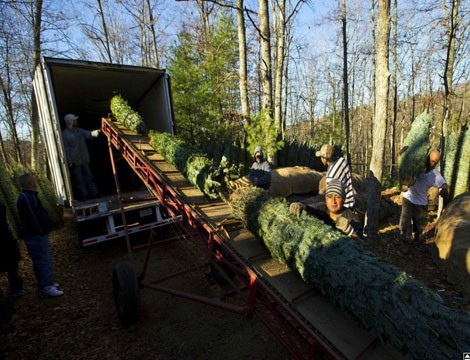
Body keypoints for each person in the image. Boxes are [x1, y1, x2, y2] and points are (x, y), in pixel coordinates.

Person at [17, 173, 63, 297]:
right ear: (30, 183)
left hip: (35, 234)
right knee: (42, 260)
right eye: (34, 180)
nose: (36, 182)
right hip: (35, 235)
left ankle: (47, 283)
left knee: (43, 259)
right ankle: (46, 286)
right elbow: (33, 218)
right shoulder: (27, 198)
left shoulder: (28, 196)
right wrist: (42, 230)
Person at [399, 149, 448, 245]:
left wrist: (445, 190)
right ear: (428, 156)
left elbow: (444, 184)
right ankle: (405, 242)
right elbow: (403, 164)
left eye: (435, 162)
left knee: (419, 224)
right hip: (408, 197)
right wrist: (402, 154)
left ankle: (416, 236)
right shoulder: (416, 165)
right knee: (405, 221)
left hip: (421, 202)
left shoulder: (434, 174)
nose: (432, 163)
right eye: (431, 160)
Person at [290, 179, 364, 240]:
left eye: (338, 197)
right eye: (330, 196)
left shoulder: (352, 219)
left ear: (343, 200)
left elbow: (362, 246)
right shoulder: (321, 208)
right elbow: (307, 207)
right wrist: (299, 205)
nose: (333, 201)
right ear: (325, 199)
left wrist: (350, 232)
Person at [62, 113, 101, 201]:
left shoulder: (79, 131)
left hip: (84, 159)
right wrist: (69, 161)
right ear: (70, 122)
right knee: (80, 180)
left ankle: (94, 193)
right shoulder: (65, 135)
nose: (76, 121)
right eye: (75, 120)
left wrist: (98, 131)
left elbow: (89, 134)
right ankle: (85, 195)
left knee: (89, 177)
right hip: (75, 162)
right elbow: (66, 150)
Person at [316, 144, 355, 209]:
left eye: (321, 157)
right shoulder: (343, 161)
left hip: (342, 206)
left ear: (325, 159)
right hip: (351, 201)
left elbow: (332, 196)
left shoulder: (331, 176)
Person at [0, 202, 26, 298]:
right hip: (6, 242)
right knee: (12, 267)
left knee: (12, 268)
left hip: (7, 241)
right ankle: (16, 290)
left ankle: (15, 289)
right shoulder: (1, 207)